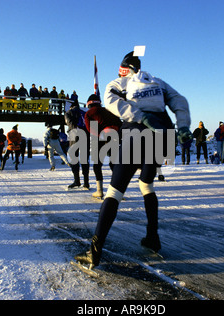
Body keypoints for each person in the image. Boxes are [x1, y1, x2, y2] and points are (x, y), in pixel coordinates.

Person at [74, 51, 192, 269]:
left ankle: (94, 251)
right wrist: (183, 125)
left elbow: (110, 101)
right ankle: (152, 238)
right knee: (147, 184)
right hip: (163, 134)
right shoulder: (158, 82)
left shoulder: (120, 82)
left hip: (137, 132)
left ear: (123, 68)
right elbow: (180, 100)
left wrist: (140, 117)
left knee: (114, 192)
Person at [84, 93, 122, 198]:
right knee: (114, 164)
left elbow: (90, 129)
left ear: (88, 104)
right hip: (114, 136)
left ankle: (99, 191)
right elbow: (120, 124)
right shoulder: (109, 110)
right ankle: (117, 191)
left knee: (97, 164)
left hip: (99, 138)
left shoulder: (89, 113)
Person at [65, 100, 90, 189]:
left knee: (74, 158)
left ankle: (77, 181)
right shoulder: (84, 113)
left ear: (71, 106)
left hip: (74, 134)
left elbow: (69, 123)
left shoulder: (69, 112)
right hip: (85, 135)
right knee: (84, 159)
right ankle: (86, 183)